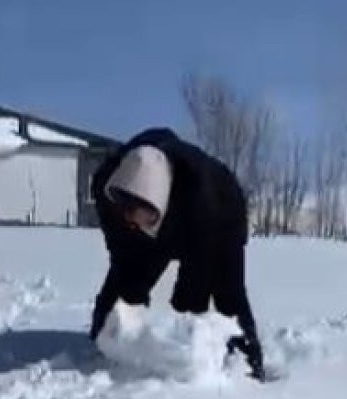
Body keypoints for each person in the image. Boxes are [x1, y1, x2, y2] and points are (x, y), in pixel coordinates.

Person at [89, 127, 265, 379]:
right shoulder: (109, 185)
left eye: (138, 217)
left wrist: (185, 339)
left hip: (222, 215)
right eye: (126, 215)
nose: (129, 223)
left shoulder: (203, 200)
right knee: (127, 281)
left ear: (155, 209)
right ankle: (106, 341)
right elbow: (122, 255)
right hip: (159, 204)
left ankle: (249, 364)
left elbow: (196, 283)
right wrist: (118, 309)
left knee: (227, 294)